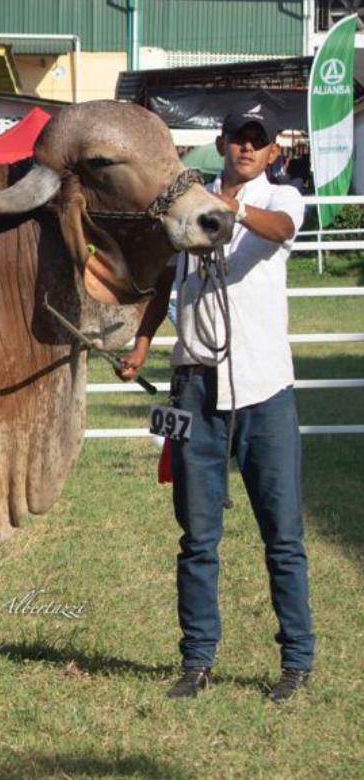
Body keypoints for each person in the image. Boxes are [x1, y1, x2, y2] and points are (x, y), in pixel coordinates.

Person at [116, 105, 313, 703]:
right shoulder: (189, 203)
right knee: (198, 537)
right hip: (195, 389)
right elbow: (163, 284)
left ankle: (296, 661)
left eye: (259, 140)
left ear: (272, 151)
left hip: (263, 390)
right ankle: (196, 660)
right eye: (238, 138)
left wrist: (228, 211)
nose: (247, 147)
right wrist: (142, 346)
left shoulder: (281, 199)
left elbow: (279, 231)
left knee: (282, 534)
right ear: (223, 143)